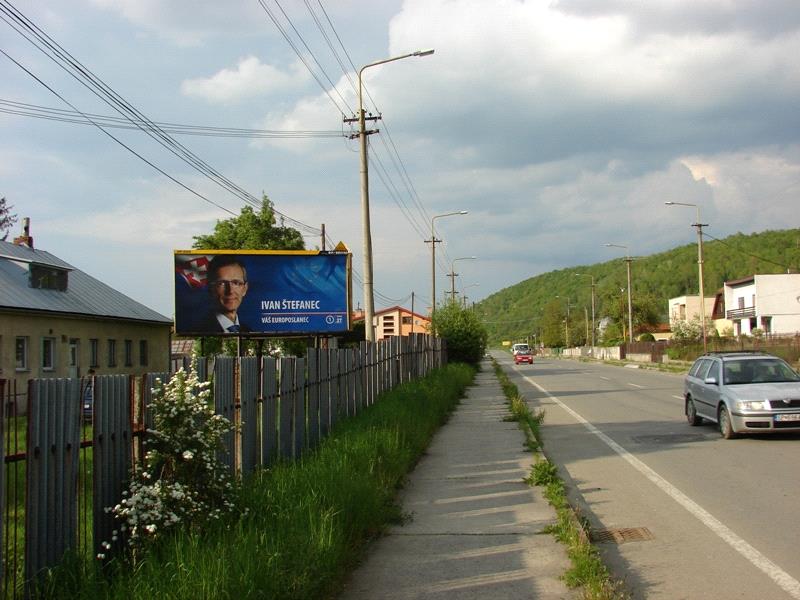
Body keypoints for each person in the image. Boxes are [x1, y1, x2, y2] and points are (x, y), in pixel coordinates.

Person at [193, 255, 252, 333]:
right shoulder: (199, 329)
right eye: (221, 283)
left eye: (236, 283)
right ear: (211, 288)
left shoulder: (248, 331)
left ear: (245, 288)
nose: (230, 291)